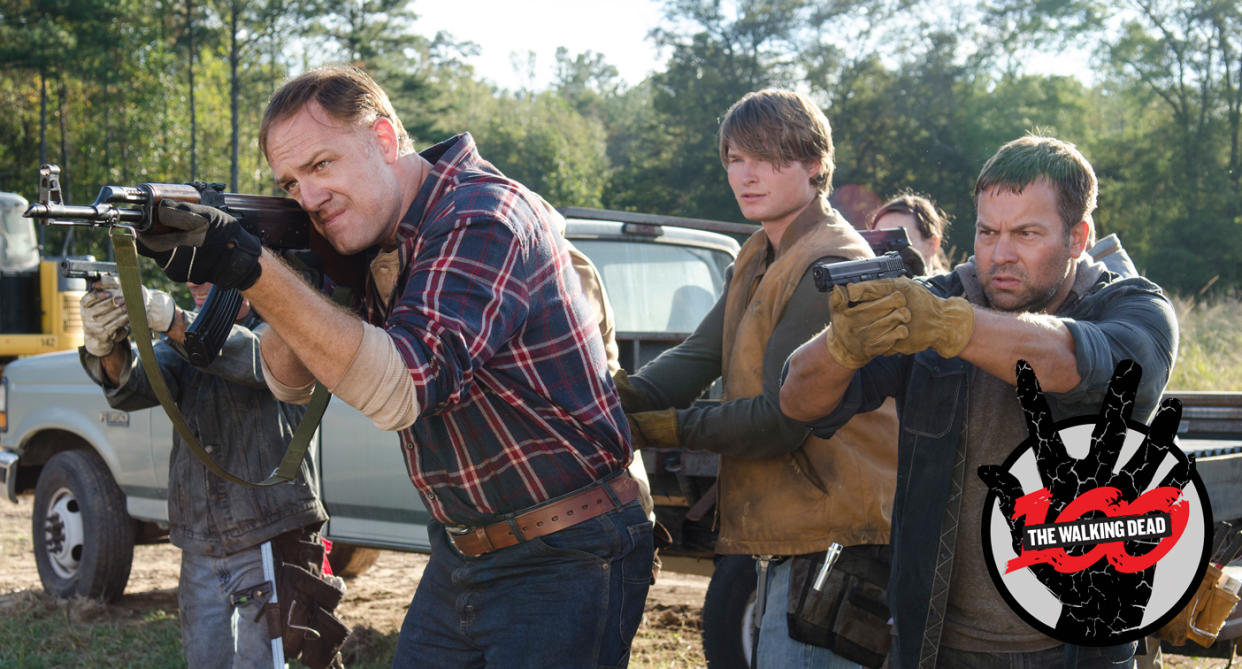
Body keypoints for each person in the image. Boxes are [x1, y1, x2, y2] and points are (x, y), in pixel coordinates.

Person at [134, 65, 652, 668]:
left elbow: (403, 387)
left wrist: (252, 266)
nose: (308, 196)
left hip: (567, 550)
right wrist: (271, 264)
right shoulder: (374, 242)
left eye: (322, 164)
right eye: (290, 182)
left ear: (383, 140)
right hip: (464, 549)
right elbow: (287, 379)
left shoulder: (480, 215)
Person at [780, 135, 1179, 668]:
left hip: (1080, 649)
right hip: (937, 645)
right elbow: (797, 400)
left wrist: (947, 324)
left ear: (1078, 238)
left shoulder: (1134, 308)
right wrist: (841, 344)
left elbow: (1073, 363)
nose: (1001, 253)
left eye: (1026, 233)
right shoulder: (936, 298)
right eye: (987, 232)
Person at [617, 89, 899, 668]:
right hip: (788, 534)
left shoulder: (830, 261)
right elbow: (700, 356)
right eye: (735, 160)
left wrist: (656, 426)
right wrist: (606, 401)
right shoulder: (759, 252)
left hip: (837, 540)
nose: (747, 175)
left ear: (816, 164)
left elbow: (780, 420)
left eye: (769, 159)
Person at [78, 279, 344, 668]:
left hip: (268, 538)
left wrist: (173, 320)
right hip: (200, 540)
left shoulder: (285, 329)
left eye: (205, 266)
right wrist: (106, 347)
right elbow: (134, 387)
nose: (192, 280)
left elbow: (257, 361)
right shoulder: (185, 345)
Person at [869, 191, 952, 273]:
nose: (886, 253)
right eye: (878, 243)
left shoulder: (953, 285)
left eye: (898, 241)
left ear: (932, 245)